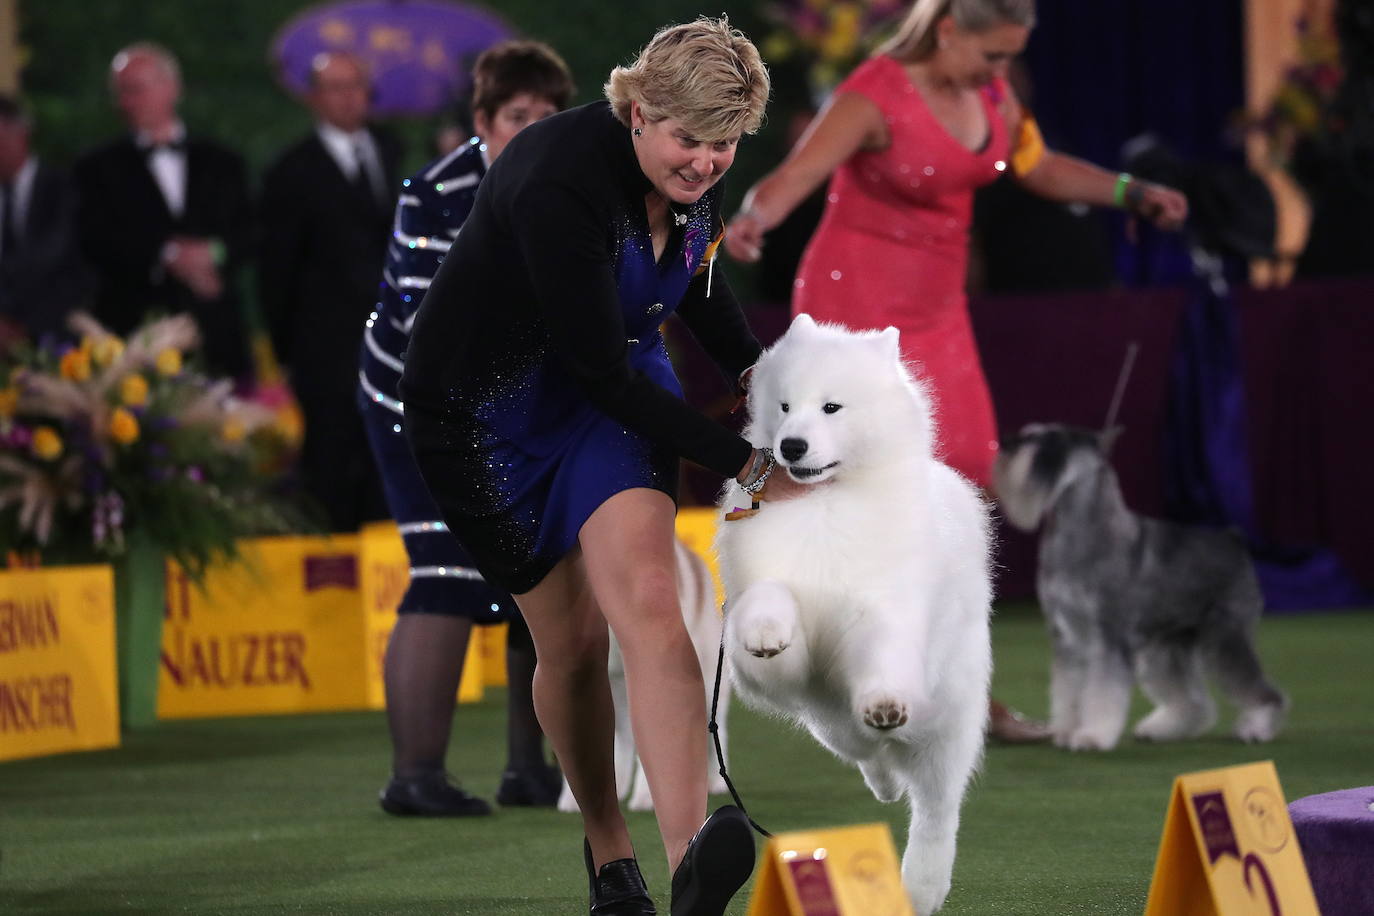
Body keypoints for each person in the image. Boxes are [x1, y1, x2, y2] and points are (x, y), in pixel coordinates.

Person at [400, 17, 808, 916]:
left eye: (727, 146)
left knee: (653, 604)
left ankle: (693, 857)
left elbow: (697, 284)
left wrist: (764, 380)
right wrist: (745, 462)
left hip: (609, 397)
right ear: (636, 111)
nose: (706, 163)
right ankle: (611, 859)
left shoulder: (692, 180)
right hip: (482, 417)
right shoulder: (560, 177)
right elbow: (596, 369)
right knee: (573, 646)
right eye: (689, 141)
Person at [724, 0, 1188, 744]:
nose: (1001, 74)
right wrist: (753, 219)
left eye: (1009, 58)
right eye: (992, 56)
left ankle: (958, 691)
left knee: (967, 488)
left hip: (938, 316)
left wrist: (1130, 192)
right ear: (949, 30)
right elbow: (793, 175)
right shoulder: (876, 91)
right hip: (852, 312)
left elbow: (1040, 168)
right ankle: (832, 662)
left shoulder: (995, 98)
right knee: (845, 489)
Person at [360, 41, 574, 817]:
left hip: (510, 402)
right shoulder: (436, 192)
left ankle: (530, 769)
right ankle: (414, 776)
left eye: (548, 115)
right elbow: (427, 329)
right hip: (412, 400)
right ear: (481, 122)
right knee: (448, 570)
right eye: (517, 116)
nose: (533, 128)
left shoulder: (568, 184)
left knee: (534, 570)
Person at [259, 51, 400, 532]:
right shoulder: (291, 172)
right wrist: (285, 351)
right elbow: (275, 272)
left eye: (356, 84)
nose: (347, 97)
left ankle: (392, 580)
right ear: (314, 98)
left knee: (392, 465)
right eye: (335, 87)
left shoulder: (391, 150)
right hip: (324, 353)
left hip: (394, 347)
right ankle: (331, 587)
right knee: (331, 467)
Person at [74, 43, 252, 381]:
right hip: (135, 334)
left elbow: (250, 232)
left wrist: (212, 254)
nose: (126, 102)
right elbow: (95, 240)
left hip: (215, 331)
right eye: (120, 93)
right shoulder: (96, 168)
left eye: (135, 90)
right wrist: (168, 254)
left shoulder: (223, 162)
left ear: (172, 88)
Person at [0, 94, 92, 346]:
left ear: (20, 133)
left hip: (57, 336)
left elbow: (51, 256)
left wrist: (13, 322)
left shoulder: (64, 187)